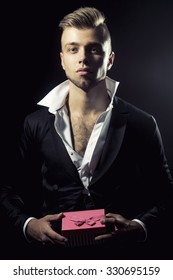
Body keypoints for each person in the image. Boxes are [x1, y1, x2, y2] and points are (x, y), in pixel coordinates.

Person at [0, 6, 173, 260]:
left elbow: (166, 195)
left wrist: (139, 226)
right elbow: (7, 190)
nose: (83, 58)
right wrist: (29, 225)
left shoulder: (142, 123)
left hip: (122, 262)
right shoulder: (34, 123)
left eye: (94, 48)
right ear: (62, 59)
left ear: (110, 59)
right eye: (73, 49)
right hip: (52, 262)